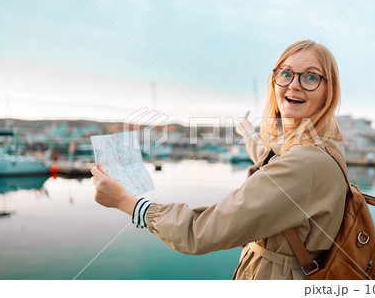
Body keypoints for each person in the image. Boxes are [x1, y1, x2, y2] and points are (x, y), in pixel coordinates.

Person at [91, 39, 347, 280]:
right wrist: (248, 134)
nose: (294, 84)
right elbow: (274, 157)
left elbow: (200, 232)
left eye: (311, 76)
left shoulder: (303, 164)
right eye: (285, 73)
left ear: (329, 91)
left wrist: (127, 203)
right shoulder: (323, 146)